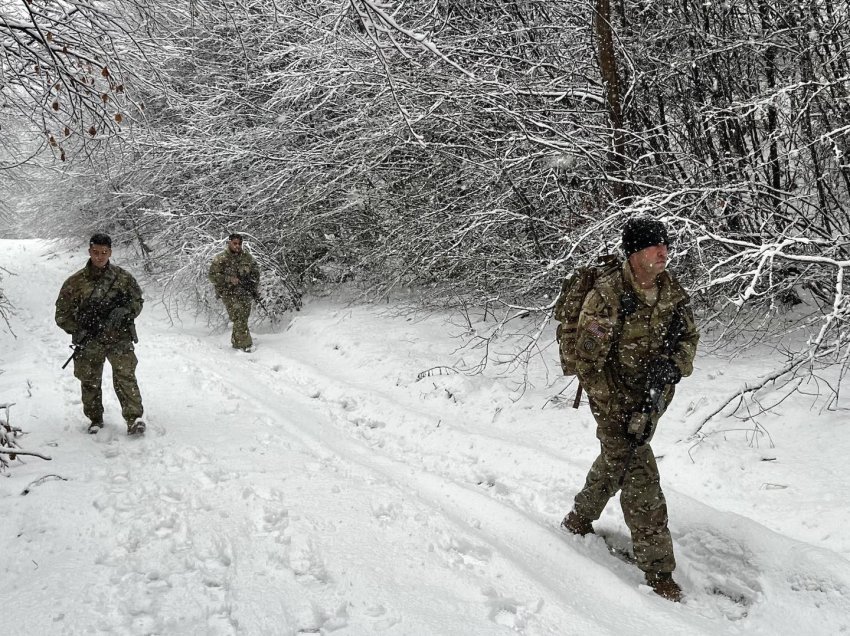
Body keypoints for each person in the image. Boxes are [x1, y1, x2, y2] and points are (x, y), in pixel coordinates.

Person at [560, 217, 699, 602]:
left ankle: (578, 517)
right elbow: (588, 364)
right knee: (640, 474)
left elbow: (689, 337)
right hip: (613, 400)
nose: (663, 252)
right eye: (654, 247)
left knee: (616, 459)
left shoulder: (672, 292)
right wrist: (619, 410)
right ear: (634, 253)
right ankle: (659, 571)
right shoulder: (608, 294)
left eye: (665, 246)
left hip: (652, 398)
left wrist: (673, 366)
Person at [55, 233, 146, 435]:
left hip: (118, 337)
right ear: (89, 251)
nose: (99, 257)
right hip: (90, 340)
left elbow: (137, 301)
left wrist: (125, 312)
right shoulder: (75, 282)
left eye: (104, 252)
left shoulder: (122, 278)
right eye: (96, 252)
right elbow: (62, 314)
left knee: (125, 377)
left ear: (110, 253)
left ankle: (134, 418)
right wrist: (81, 328)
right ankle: (95, 419)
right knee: (89, 381)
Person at [208, 233, 260, 351]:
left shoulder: (247, 257)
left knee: (243, 317)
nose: (237, 246)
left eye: (239, 244)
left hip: (245, 292)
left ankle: (237, 342)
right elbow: (212, 276)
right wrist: (229, 279)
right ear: (229, 243)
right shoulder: (221, 258)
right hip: (228, 293)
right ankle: (245, 345)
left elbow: (256, 272)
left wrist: (252, 284)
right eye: (235, 243)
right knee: (239, 316)